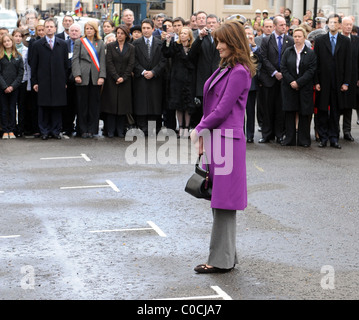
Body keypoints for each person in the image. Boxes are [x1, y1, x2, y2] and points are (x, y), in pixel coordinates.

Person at [190, 20, 256, 273]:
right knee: (220, 200)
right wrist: (205, 138)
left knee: (224, 202)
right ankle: (227, 256)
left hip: (227, 142)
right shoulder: (227, 68)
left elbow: (222, 109)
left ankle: (220, 261)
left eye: (221, 41)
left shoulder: (238, 71)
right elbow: (213, 108)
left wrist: (198, 130)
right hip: (219, 140)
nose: (217, 46)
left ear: (234, 42)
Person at [314, 14, 352, 149]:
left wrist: (346, 82)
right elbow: (316, 64)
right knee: (322, 111)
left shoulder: (345, 41)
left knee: (336, 112)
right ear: (327, 24)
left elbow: (349, 64)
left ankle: (334, 138)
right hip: (323, 83)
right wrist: (316, 82)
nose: (333, 25)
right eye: (330, 22)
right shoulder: (320, 41)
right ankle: (323, 138)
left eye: (335, 22)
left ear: (339, 25)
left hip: (338, 82)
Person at [30, 18, 68, 140]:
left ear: (56, 28)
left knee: (57, 107)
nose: (49, 28)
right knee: (43, 107)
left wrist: (65, 81)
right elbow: (33, 65)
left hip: (58, 81)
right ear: (44, 29)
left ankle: (56, 131)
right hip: (43, 81)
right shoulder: (37, 45)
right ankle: (44, 131)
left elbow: (66, 64)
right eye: (47, 27)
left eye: (51, 26)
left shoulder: (62, 44)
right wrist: (35, 82)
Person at [258, 16, 294, 143]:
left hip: (284, 79)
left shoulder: (290, 40)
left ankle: (279, 134)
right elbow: (264, 58)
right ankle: (267, 134)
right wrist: (274, 72)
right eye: (281, 25)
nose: (284, 27)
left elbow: (290, 59)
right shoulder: (267, 40)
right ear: (274, 26)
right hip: (269, 78)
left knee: (280, 108)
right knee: (268, 108)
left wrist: (283, 73)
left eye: (285, 25)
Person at [280, 27, 317, 147]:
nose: (296, 39)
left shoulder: (310, 53)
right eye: (295, 36)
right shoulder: (288, 51)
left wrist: (299, 82)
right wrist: (292, 81)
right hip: (289, 87)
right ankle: (289, 139)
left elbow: (311, 70)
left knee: (304, 114)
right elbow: (283, 67)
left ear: (304, 37)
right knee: (290, 113)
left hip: (304, 87)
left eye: (299, 36)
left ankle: (304, 140)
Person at [72, 20, 106, 138]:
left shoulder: (100, 43)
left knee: (94, 105)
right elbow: (75, 59)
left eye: (91, 28)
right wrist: (77, 74)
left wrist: (102, 76)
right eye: (87, 28)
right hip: (82, 76)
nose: (89, 31)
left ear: (95, 30)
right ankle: (82, 129)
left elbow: (102, 61)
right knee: (82, 105)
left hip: (95, 77)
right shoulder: (79, 42)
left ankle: (92, 129)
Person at [132, 19, 167, 135]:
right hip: (141, 78)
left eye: (148, 28)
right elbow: (134, 61)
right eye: (143, 28)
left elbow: (163, 61)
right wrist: (142, 71)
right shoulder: (136, 44)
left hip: (156, 78)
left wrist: (153, 72)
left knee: (154, 102)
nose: (146, 31)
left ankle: (154, 128)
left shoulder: (160, 43)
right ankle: (142, 127)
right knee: (141, 103)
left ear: (153, 29)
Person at [101, 25, 135, 138]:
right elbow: (109, 62)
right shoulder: (110, 46)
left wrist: (123, 77)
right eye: (118, 33)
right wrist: (116, 77)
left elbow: (131, 64)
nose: (119, 35)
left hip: (125, 81)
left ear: (126, 35)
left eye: (121, 33)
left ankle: (120, 130)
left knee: (123, 106)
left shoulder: (130, 47)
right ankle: (110, 130)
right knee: (111, 106)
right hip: (112, 81)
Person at [162, 26, 196, 138]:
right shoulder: (176, 46)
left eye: (185, 33)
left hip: (189, 80)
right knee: (178, 105)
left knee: (187, 105)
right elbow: (166, 53)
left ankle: (187, 127)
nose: (182, 35)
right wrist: (167, 41)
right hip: (176, 80)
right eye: (181, 33)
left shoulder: (193, 47)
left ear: (189, 36)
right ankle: (180, 127)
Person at [190, 14, 221, 128]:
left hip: (218, 76)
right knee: (203, 106)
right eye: (209, 23)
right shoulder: (202, 37)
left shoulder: (222, 37)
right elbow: (192, 54)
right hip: (203, 77)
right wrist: (200, 37)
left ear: (218, 24)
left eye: (213, 23)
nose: (211, 25)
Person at [0, 34, 24, 139]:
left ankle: (12, 130)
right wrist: (4, 86)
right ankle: (5, 130)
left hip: (14, 88)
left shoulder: (18, 56)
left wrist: (12, 86)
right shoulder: (0, 57)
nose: (7, 43)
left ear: (12, 41)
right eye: (5, 41)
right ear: (2, 43)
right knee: (4, 109)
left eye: (9, 40)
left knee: (12, 108)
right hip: (2, 88)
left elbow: (20, 73)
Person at [340, 17, 359, 142]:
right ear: (341, 25)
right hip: (338, 77)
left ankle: (347, 131)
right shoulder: (337, 39)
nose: (348, 27)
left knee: (349, 105)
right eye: (346, 24)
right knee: (336, 105)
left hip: (353, 78)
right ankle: (334, 130)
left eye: (350, 25)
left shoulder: (356, 40)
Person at [63, 23, 82, 137]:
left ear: (80, 33)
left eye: (76, 30)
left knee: (80, 105)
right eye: (72, 30)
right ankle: (67, 127)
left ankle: (79, 127)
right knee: (68, 105)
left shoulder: (84, 44)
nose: (74, 32)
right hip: (67, 79)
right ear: (68, 33)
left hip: (80, 78)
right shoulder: (63, 44)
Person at [12, 28, 29, 137]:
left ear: (22, 38)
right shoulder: (9, 49)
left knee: (22, 106)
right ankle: (13, 127)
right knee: (12, 106)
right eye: (16, 36)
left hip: (23, 80)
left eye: (20, 36)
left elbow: (28, 67)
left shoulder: (26, 50)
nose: (18, 38)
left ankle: (21, 128)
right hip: (12, 82)